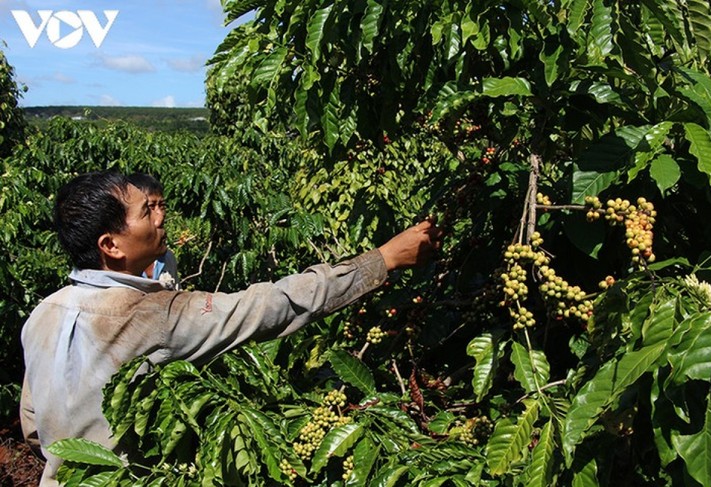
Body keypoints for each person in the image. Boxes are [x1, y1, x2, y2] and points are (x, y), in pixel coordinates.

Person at [20, 171, 442, 485]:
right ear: (110, 246)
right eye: (145, 211)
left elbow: (33, 422)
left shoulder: (43, 313)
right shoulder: (151, 315)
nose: (160, 215)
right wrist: (383, 259)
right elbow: (269, 306)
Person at [127, 172, 179, 289]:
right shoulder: (122, 262)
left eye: (162, 205)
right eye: (151, 207)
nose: (160, 215)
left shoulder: (167, 258)